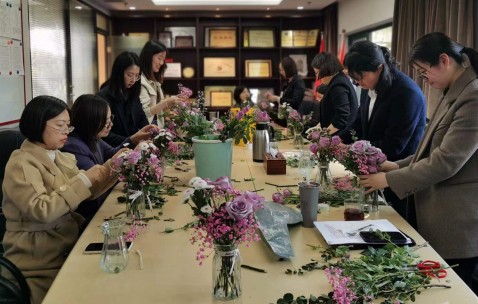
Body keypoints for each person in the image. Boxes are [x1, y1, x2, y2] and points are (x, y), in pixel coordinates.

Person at [358, 32, 478, 293]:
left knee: (452, 292)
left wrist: (388, 179)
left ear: (444, 60)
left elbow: (446, 161)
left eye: (424, 72)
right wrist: (396, 165)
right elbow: (431, 149)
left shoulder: (473, 96)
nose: (424, 79)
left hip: (456, 219)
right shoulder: (453, 89)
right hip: (436, 208)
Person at [1, 96, 120, 304]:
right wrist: (83, 179)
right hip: (39, 262)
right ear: (38, 124)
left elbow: (86, 194)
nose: (66, 131)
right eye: (60, 126)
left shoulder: (58, 155)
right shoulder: (21, 163)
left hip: (66, 245)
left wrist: (115, 167)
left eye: (68, 126)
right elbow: (41, 209)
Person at [344, 41, 426, 224]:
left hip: (399, 176)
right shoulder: (371, 86)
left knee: (396, 228)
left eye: (360, 76)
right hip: (376, 171)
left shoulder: (405, 92)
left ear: (379, 68)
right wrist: (335, 141)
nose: (358, 83)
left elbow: (394, 145)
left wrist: (354, 152)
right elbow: (358, 124)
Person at [62, 94, 154, 222]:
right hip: (91, 212)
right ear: (90, 120)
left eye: (110, 119)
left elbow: (111, 153)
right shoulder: (74, 147)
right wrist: (130, 156)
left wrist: (134, 139)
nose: (110, 124)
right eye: (105, 121)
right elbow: (98, 182)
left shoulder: (92, 136)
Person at [98, 51, 156, 147]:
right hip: (113, 150)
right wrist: (132, 140)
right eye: (130, 75)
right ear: (119, 73)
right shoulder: (103, 97)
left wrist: (149, 131)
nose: (133, 80)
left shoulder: (132, 92)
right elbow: (103, 134)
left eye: (137, 75)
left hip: (133, 147)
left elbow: (141, 117)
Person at [312, 52, 358, 143]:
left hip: (341, 138)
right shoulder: (336, 81)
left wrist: (323, 135)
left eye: (317, 73)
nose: (317, 77)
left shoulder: (338, 85)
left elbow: (341, 118)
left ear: (325, 69)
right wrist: (318, 128)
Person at [139, 40, 186, 126]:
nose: (161, 63)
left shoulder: (154, 81)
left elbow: (157, 109)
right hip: (145, 131)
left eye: (163, 59)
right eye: (159, 58)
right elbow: (143, 113)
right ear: (148, 56)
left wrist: (171, 104)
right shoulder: (140, 81)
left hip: (156, 129)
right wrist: (165, 103)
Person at [266, 57, 305, 126]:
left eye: (282, 70)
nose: (280, 72)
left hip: (293, 120)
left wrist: (277, 98)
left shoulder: (298, 82)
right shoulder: (287, 82)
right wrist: (272, 98)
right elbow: (283, 101)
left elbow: (295, 102)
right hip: (284, 118)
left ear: (288, 69)